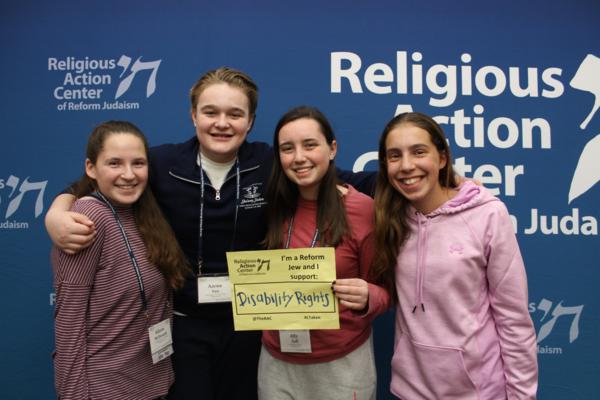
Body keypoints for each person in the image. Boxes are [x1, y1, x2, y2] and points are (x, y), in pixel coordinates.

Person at [45, 68, 376, 400]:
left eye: (235, 114)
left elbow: (353, 181)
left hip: (249, 324)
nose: (222, 123)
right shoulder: (162, 163)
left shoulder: (270, 162)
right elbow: (90, 184)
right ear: (193, 115)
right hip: (184, 324)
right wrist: (57, 212)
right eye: (210, 112)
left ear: (250, 121)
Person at [371, 112, 538, 399]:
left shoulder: (487, 214)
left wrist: (522, 395)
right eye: (395, 156)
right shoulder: (391, 217)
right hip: (410, 390)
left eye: (419, 152)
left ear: (442, 158)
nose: (407, 165)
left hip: (478, 391)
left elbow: (513, 318)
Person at [258, 106, 390, 400]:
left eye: (310, 145)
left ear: (332, 149)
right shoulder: (270, 206)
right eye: (287, 148)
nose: (299, 158)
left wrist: (369, 295)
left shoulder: (362, 209)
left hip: (341, 365)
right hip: (276, 363)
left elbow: (387, 290)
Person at [51, 120, 188, 399]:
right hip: (106, 389)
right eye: (114, 163)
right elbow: (69, 322)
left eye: (138, 163)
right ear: (91, 168)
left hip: (151, 384)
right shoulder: (88, 218)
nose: (128, 174)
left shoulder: (143, 212)